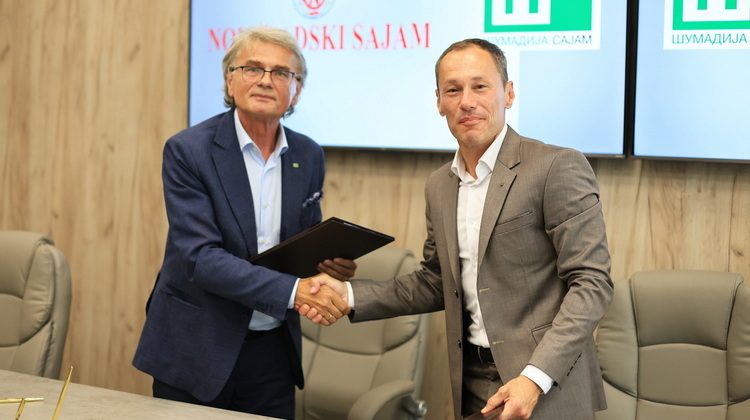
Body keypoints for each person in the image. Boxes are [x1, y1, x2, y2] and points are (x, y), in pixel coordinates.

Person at [302, 38, 614, 420]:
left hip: (546, 384)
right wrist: (348, 295)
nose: (466, 101)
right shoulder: (440, 185)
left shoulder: (556, 167)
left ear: (508, 93)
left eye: (480, 86)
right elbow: (436, 282)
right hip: (471, 383)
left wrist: (534, 378)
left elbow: (592, 283)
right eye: (453, 90)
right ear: (439, 102)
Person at [132, 27, 354, 419]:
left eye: (281, 73)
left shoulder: (308, 154)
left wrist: (326, 266)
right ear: (230, 80)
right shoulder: (189, 151)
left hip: (273, 351)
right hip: (198, 346)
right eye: (253, 68)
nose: (266, 80)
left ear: (296, 91)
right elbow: (200, 258)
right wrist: (296, 291)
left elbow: (301, 244)